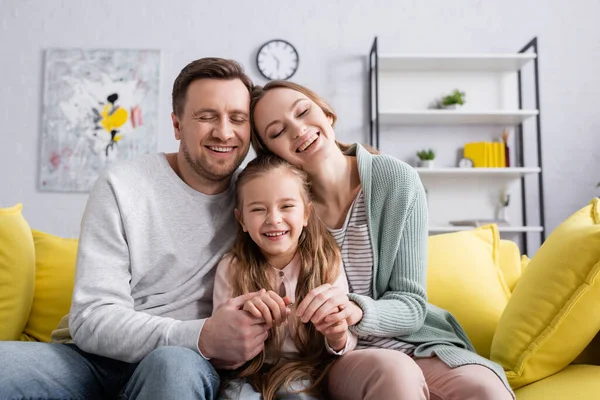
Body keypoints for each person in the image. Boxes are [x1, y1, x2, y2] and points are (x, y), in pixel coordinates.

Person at [0, 58, 267, 400]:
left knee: (174, 367)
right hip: (89, 361)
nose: (224, 132)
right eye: (206, 116)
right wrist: (200, 335)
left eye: (237, 119)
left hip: (179, 362)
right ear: (177, 125)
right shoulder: (124, 185)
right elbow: (92, 319)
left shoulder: (258, 200)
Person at [249, 80, 516, 400]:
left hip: (418, 342)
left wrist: (355, 310)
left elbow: (412, 305)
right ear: (271, 155)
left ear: (327, 113)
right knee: (395, 376)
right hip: (342, 357)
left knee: (485, 390)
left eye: (303, 111)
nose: (298, 129)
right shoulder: (282, 212)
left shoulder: (396, 179)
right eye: (277, 132)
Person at [212, 155, 357, 400]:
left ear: (306, 214)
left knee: (297, 395)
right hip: (246, 374)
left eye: (287, 206)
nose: (274, 219)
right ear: (242, 220)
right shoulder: (231, 267)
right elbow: (222, 352)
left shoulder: (327, 261)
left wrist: (337, 334)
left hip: (308, 371)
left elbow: (346, 342)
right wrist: (243, 323)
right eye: (258, 209)